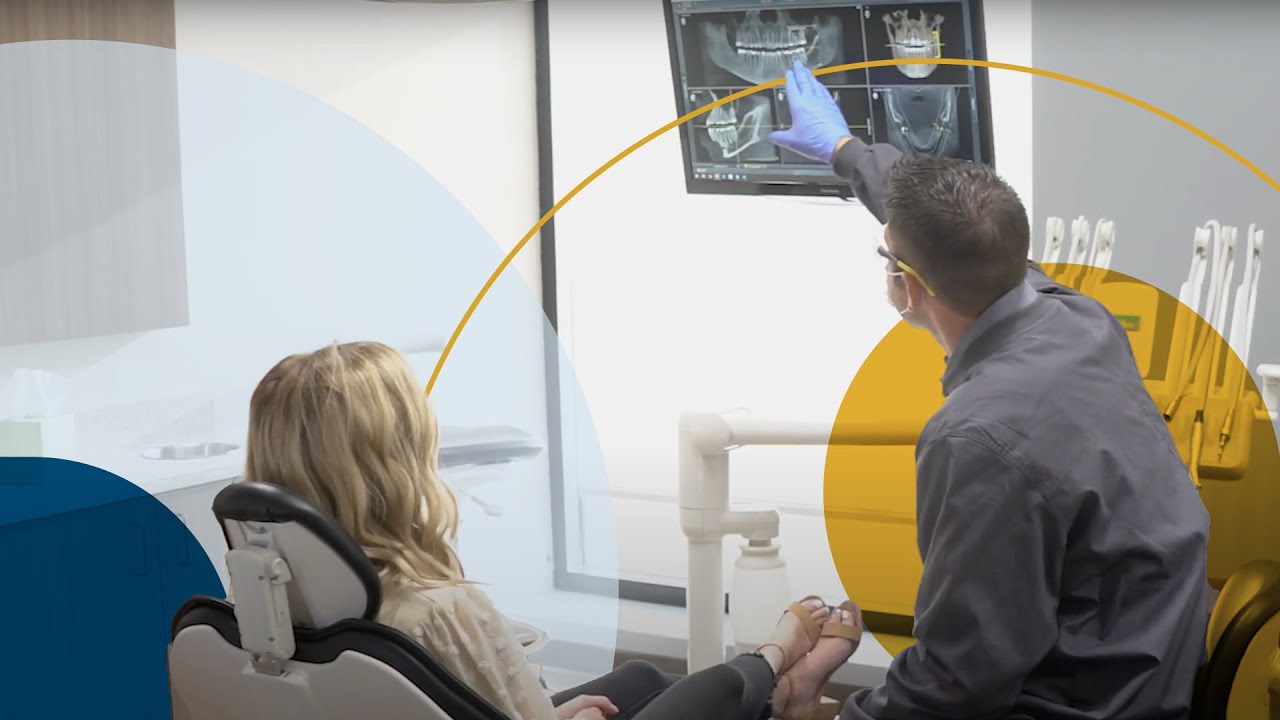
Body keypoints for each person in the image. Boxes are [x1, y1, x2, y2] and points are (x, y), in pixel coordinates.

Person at [769, 60, 1214, 719]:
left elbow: (959, 682)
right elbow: (958, 234)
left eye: (888, 257)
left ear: (907, 286)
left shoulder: (977, 438)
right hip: (1151, 654)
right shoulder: (1080, 317)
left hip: (1087, 703)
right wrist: (846, 151)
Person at [241, 340, 864, 720]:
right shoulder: (436, 610)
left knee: (644, 680)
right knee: (722, 685)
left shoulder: (270, 613)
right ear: (395, 463)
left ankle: (783, 696)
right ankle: (777, 663)